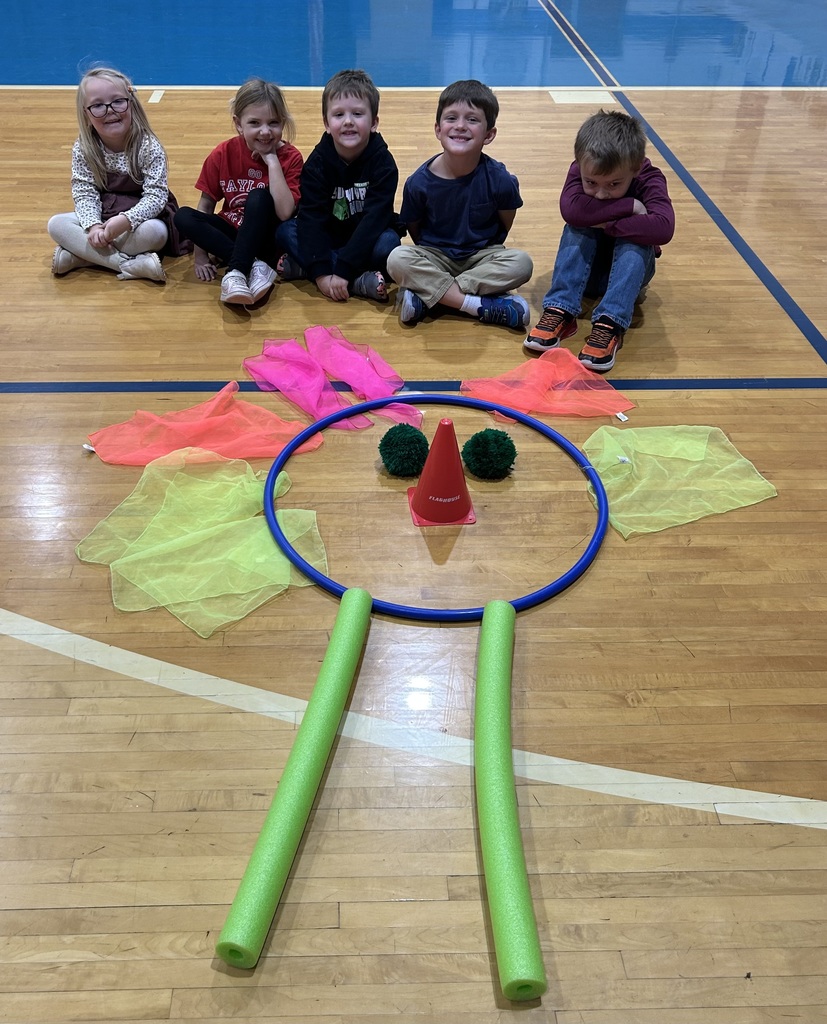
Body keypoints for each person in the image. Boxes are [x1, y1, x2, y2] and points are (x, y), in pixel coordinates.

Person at [524, 109, 675, 372]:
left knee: (636, 238)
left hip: (629, 280)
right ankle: (561, 309)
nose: (602, 193)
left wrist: (606, 223)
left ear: (636, 168)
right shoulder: (580, 167)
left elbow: (664, 228)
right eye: (591, 182)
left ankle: (610, 322)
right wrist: (630, 206)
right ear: (579, 162)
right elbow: (570, 211)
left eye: (614, 184)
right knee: (577, 225)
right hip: (585, 276)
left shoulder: (650, 177)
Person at [386, 79, 533, 330]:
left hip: (481, 257)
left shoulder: (500, 179)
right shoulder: (418, 183)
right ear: (438, 129)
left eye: (472, 119)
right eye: (451, 118)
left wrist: (434, 282)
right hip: (435, 256)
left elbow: (504, 224)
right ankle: (478, 306)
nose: (461, 126)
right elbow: (416, 230)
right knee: (397, 258)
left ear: (489, 134)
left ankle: (429, 297)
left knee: (522, 263)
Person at [48, 65, 190, 283]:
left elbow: (156, 197)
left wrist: (125, 220)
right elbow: (84, 192)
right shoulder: (84, 149)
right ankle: (127, 264)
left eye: (117, 101)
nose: (109, 110)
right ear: (86, 115)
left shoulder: (149, 146)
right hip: (103, 215)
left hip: (142, 220)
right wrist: (94, 225)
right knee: (56, 224)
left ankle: (81, 257)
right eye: (97, 106)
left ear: (131, 103)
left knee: (156, 233)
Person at [274, 69, 403, 303]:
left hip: (365, 237)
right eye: (339, 115)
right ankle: (359, 282)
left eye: (357, 114)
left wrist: (341, 270)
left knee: (389, 244)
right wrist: (324, 274)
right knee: (286, 231)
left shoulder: (384, 164)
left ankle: (306, 269)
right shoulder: (317, 164)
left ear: (374, 122)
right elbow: (311, 218)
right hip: (328, 236)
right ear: (326, 122)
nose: (348, 122)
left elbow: (375, 220)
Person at [174, 79, 302, 306]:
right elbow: (205, 205)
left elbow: (284, 213)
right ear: (238, 123)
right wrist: (200, 256)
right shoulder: (223, 153)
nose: (265, 131)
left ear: (282, 123)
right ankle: (254, 266)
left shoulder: (291, 157)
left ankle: (236, 271)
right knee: (183, 216)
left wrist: (271, 160)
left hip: (268, 239)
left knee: (259, 197)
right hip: (232, 232)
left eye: (273, 122)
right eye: (254, 123)